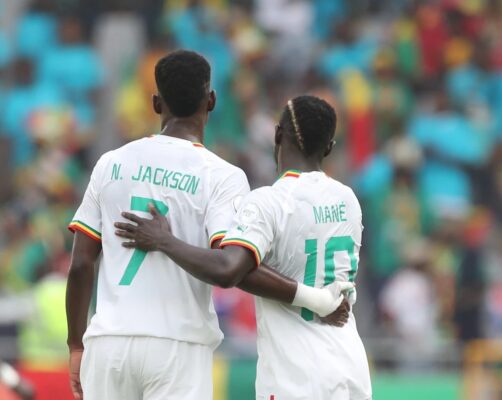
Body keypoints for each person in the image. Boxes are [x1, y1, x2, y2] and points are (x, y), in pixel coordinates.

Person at [65, 50, 352, 400]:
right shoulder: (223, 176)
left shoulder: (110, 163)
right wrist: (316, 299)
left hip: (108, 343)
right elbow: (231, 267)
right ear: (211, 101)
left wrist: (75, 345)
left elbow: (81, 264)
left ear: (156, 103)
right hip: (178, 347)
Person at [115, 95, 372, 399]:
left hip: (297, 373)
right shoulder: (348, 200)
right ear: (329, 147)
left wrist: (165, 240)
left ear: (278, 135)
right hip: (351, 366)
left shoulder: (270, 201)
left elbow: (231, 269)